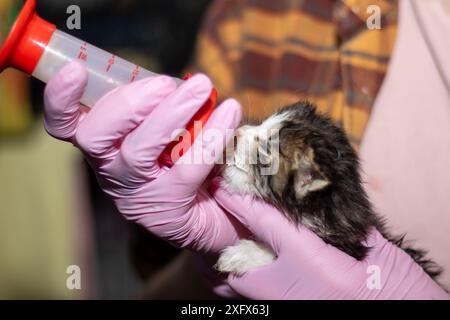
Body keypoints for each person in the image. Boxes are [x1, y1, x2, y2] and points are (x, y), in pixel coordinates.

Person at [42, 0, 449, 299]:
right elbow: (161, 289)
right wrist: (202, 260)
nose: (241, 135)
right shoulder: (254, 14)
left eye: (261, 153)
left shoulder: (319, 194)